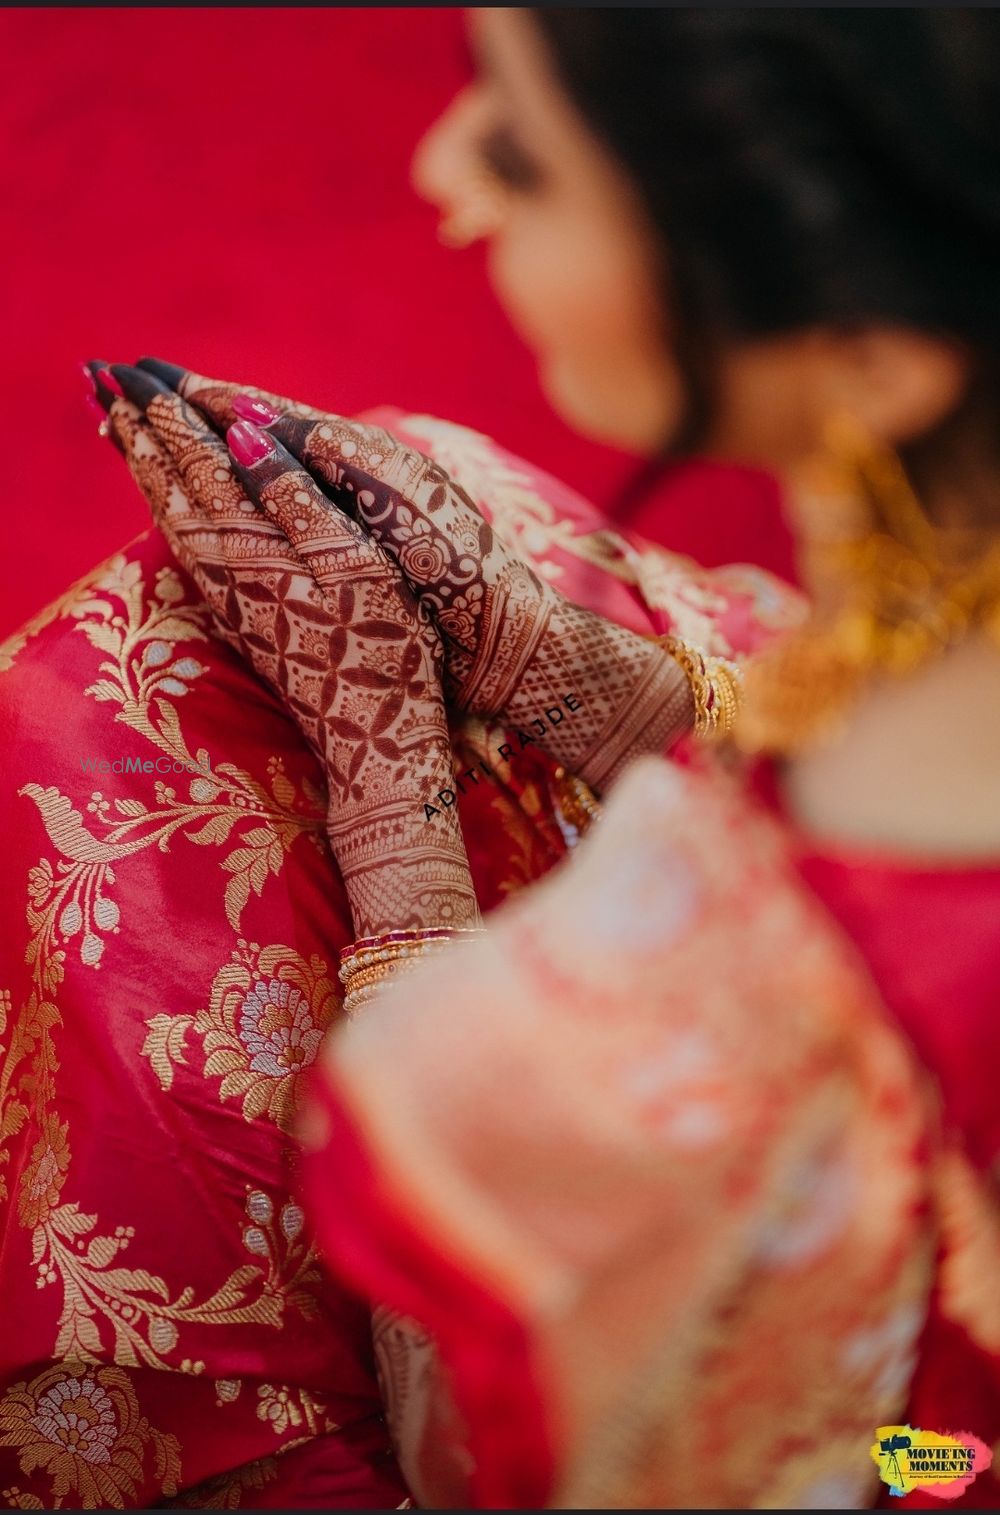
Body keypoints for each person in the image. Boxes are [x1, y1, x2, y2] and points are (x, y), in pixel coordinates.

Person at [6, 6, 1000, 1510]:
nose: (444, 167)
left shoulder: (749, 1042)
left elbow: (545, 1468)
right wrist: (576, 682)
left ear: (869, 351)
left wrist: (394, 799)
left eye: (525, 154)